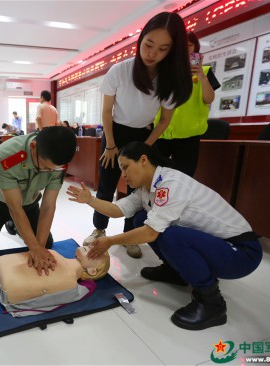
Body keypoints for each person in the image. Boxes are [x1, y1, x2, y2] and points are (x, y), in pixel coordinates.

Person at [67, 142, 262, 330]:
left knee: (170, 235)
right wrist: (90, 199)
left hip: (241, 253)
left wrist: (109, 241)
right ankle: (175, 271)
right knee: (141, 217)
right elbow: (117, 210)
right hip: (220, 246)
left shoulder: (171, 183)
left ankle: (212, 303)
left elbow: (151, 233)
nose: (123, 175)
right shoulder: (147, 188)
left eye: (126, 167)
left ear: (143, 160)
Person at [83, 12, 193, 259]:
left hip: (143, 137)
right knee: (107, 184)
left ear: (172, 51)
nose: (152, 53)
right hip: (114, 133)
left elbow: (164, 120)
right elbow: (106, 111)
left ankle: (128, 236)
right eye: (148, 44)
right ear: (140, 40)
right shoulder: (120, 71)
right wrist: (110, 146)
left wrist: (146, 146)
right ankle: (99, 229)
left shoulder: (170, 80)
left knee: (137, 191)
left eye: (163, 49)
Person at [0, 126, 77, 275]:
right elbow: (15, 208)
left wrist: (39, 248)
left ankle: (14, 226)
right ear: (33, 147)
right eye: (45, 167)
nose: (49, 171)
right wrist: (33, 248)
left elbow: (48, 206)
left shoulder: (58, 163)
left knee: (46, 244)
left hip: (29, 204)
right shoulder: (7, 155)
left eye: (54, 169)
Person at [153, 31, 221, 177]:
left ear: (195, 47)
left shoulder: (205, 71)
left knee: (184, 179)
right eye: (180, 45)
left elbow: (209, 99)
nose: (184, 48)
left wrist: (201, 76)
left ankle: (179, 201)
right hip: (161, 133)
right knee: (154, 176)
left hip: (189, 136)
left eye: (189, 45)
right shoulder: (164, 72)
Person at [0, 246, 110, 316]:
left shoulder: (69, 282)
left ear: (92, 271)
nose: (93, 247)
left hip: (9, 285)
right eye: (95, 247)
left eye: (97, 253)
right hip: (5, 276)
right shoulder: (53, 253)